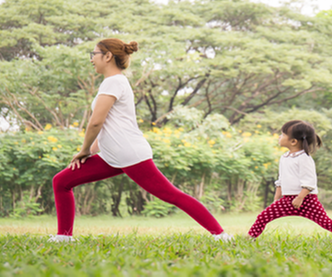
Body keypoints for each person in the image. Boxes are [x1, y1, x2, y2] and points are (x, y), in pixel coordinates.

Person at [49, 38, 232, 242]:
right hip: (113, 155)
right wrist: (89, 152)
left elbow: (95, 123)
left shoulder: (113, 82)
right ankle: (64, 237)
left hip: (129, 154)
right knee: (62, 181)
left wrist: (83, 150)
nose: (92, 59)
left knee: (171, 195)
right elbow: (109, 128)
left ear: (108, 56)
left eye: (94, 54)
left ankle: (221, 235)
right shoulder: (116, 82)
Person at [248, 120, 332, 240]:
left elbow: (310, 181)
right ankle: (250, 237)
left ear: (293, 141)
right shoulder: (284, 157)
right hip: (287, 199)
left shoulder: (304, 158)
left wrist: (300, 197)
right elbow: (281, 180)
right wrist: (277, 198)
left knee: (324, 221)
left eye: (282, 135)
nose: (279, 137)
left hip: (307, 200)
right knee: (263, 216)